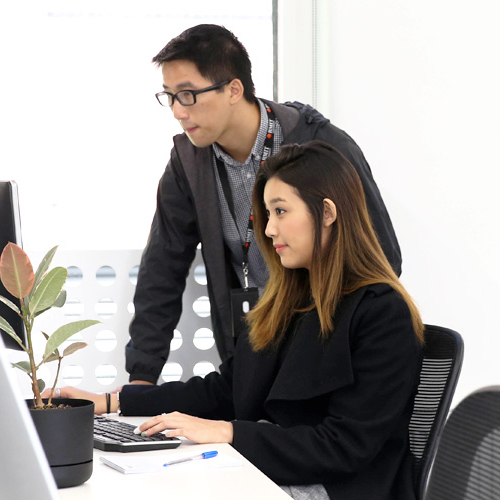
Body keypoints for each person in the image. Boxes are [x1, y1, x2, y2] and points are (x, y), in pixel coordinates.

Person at [52, 141, 423, 500]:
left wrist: (228, 433)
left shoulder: (383, 313)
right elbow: (223, 391)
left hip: (338, 488)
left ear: (327, 213)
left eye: (280, 212)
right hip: (269, 473)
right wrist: (112, 401)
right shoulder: (287, 303)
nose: (269, 230)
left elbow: (344, 447)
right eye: (266, 215)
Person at [126, 23, 402, 385]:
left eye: (188, 94)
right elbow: (162, 269)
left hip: (326, 352)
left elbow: (381, 257)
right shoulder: (189, 163)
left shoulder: (319, 145)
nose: (178, 111)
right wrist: (141, 380)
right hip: (253, 356)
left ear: (233, 89)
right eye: (170, 97)